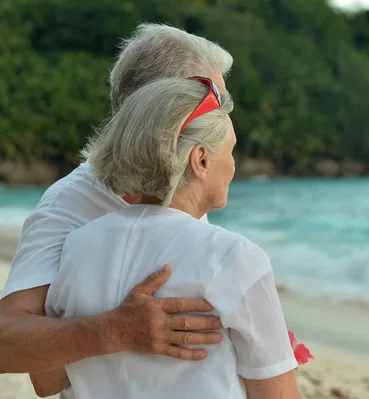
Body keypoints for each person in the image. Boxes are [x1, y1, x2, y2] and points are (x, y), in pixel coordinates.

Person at [33, 76, 302, 398]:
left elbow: (47, 382)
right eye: (230, 151)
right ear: (200, 159)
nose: (233, 164)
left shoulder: (77, 248)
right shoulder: (231, 256)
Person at [0, 24, 232, 393]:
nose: (226, 115)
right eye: (217, 99)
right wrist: (114, 332)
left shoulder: (183, 184)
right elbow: (6, 344)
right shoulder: (70, 205)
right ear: (165, 104)